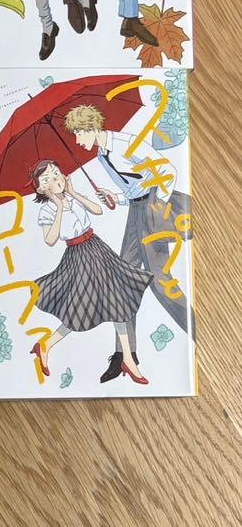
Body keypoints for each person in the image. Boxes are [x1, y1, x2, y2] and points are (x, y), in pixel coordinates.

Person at [64, 103, 194, 382]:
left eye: (78, 134)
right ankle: (125, 355)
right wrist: (116, 197)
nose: (77, 141)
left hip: (151, 211)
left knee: (160, 281)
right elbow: (134, 187)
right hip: (135, 210)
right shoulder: (101, 155)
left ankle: (199, 333)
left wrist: (157, 205)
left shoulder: (126, 144)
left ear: (90, 127)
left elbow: (167, 170)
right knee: (121, 282)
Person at [28, 159, 152, 383]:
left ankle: (127, 358)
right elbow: (50, 240)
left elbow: (98, 210)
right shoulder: (47, 210)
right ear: (41, 188)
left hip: (97, 248)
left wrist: (73, 193)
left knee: (117, 300)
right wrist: (58, 208)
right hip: (78, 257)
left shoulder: (73, 198)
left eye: (57, 173)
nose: (56, 179)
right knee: (79, 309)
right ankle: (46, 344)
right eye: (48, 179)